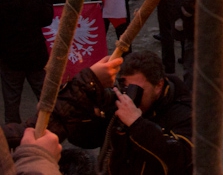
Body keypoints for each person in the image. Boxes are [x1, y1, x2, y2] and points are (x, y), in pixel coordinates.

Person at [49, 51, 192, 175]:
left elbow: (178, 161)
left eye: (137, 90)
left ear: (159, 86)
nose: (130, 97)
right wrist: (87, 109)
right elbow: (85, 139)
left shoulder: (187, 114)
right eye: (126, 88)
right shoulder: (122, 101)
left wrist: (137, 123)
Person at [0, 0, 54, 124]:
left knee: (11, 101)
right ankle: (48, 127)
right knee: (44, 96)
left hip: (9, 58)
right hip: (34, 56)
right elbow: (46, 19)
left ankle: (13, 136)